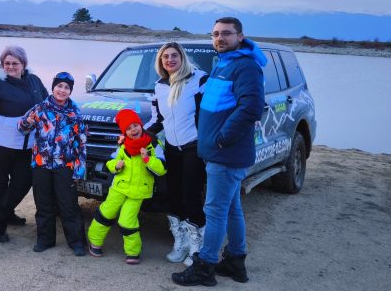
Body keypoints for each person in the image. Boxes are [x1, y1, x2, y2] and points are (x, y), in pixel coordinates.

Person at [172, 17, 266, 287]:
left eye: (226, 33)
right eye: (215, 34)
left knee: (214, 211)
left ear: (240, 36)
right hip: (219, 152)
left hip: (226, 154)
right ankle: (235, 260)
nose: (219, 38)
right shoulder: (224, 63)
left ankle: (205, 266)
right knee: (232, 208)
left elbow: (251, 107)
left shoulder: (246, 66)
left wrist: (223, 139)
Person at [144, 42, 208, 265]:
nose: (170, 60)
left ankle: (197, 248)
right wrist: (136, 136)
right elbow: (158, 119)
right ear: (160, 62)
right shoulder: (159, 86)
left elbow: (208, 114)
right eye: (165, 57)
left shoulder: (199, 79)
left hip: (194, 147)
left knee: (191, 195)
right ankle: (180, 243)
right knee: (173, 195)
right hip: (172, 148)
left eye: (174, 55)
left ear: (182, 57)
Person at [0, 45, 48, 242]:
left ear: (23, 64)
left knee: (23, 181)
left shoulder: (34, 80)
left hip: (25, 144)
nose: (10, 67)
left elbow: (46, 103)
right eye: (6, 63)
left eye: (15, 63)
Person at [18, 72, 87, 256]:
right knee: (43, 204)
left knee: (68, 204)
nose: (62, 90)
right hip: (41, 164)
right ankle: (45, 240)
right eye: (59, 86)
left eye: (66, 87)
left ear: (70, 91)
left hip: (65, 165)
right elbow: (22, 129)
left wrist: (79, 169)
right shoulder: (40, 108)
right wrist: (27, 121)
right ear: (53, 87)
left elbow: (81, 143)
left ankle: (77, 242)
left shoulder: (75, 112)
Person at [87, 108, 167, 264]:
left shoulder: (153, 143)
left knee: (127, 220)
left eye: (135, 125)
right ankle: (95, 242)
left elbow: (162, 169)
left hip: (138, 191)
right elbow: (111, 163)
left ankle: (133, 252)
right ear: (125, 131)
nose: (133, 130)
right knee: (106, 213)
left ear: (141, 125)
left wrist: (148, 160)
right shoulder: (123, 145)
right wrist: (116, 166)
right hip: (119, 188)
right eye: (129, 128)